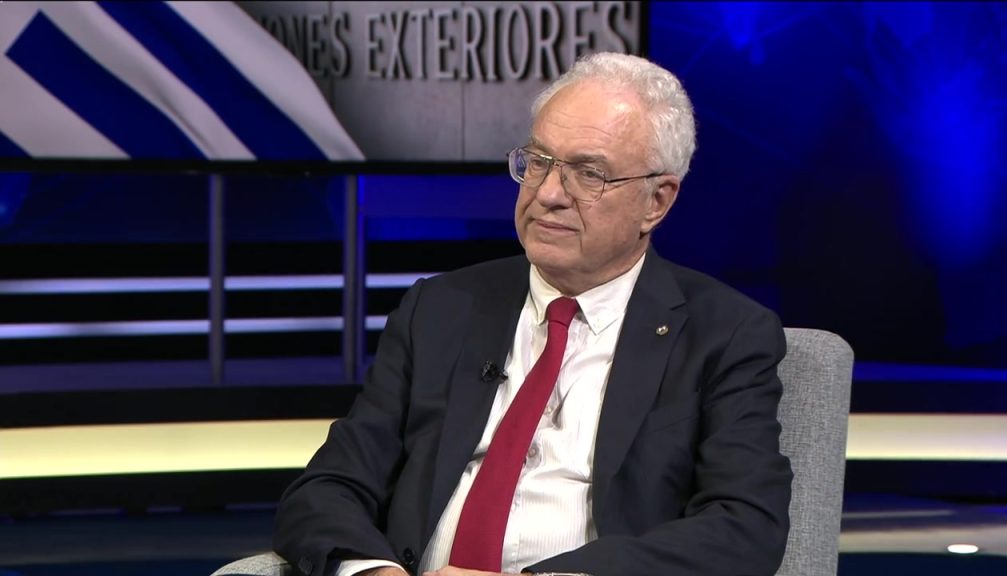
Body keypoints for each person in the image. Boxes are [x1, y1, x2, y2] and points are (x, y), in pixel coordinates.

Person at [273, 52, 792, 576]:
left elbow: (744, 526)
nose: (547, 194)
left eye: (588, 174)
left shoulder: (724, 334)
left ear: (655, 201)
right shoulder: (440, 308)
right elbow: (328, 487)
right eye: (538, 161)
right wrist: (376, 574)